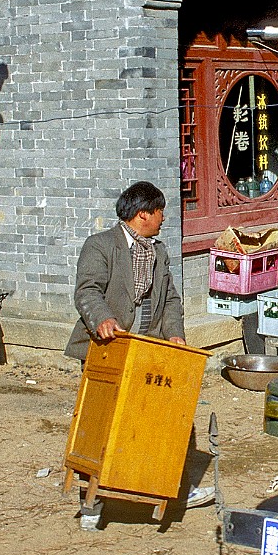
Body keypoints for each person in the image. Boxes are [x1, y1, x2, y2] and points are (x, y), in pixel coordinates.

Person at [65, 181, 214, 509]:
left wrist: (175, 332)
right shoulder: (101, 245)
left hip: (150, 352)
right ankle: (92, 502)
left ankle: (171, 488)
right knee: (104, 425)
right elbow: (87, 290)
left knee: (167, 419)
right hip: (111, 349)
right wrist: (102, 317)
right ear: (143, 214)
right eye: (160, 211)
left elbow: (171, 298)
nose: (164, 218)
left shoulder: (158, 252)